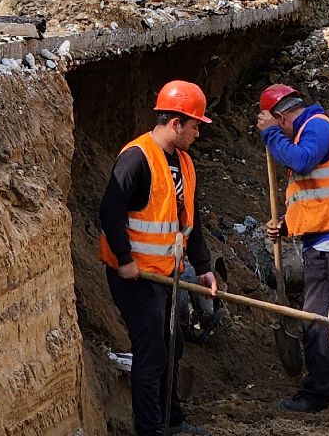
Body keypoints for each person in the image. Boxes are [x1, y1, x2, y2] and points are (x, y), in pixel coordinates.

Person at [100, 80, 219, 436]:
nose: (198, 132)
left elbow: (189, 222)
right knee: (151, 351)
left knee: (173, 345)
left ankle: (173, 420)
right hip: (135, 277)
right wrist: (124, 259)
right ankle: (151, 430)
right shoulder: (137, 158)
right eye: (195, 125)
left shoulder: (183, 162)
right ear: (175, 123)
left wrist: (204, 269)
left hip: (166, 275)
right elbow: (109, 210)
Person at [258, 83, 329, 413]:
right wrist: (288, 225)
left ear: (280, 117)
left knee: (318, 317)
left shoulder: (317, 127)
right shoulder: (312, 129)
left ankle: (316, 393)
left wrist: (270, 136)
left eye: (274, 124)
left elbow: (302, 162)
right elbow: (316, 195)